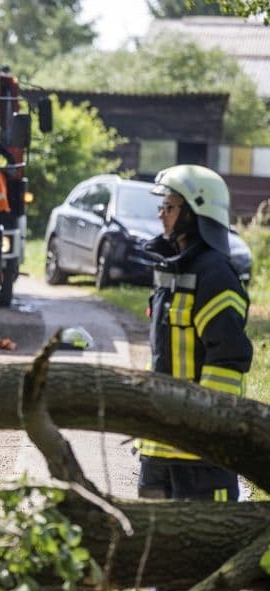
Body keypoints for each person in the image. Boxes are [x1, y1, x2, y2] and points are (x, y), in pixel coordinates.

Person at [136, 164, 252, 502]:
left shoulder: (216, 275)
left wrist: (204, 424)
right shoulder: (170, 270)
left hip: (201, 456)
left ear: (195, 211)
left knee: (204, 549)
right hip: (159, 446)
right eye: (162, 207)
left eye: (170, 207)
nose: (161, 216)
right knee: (151, 548)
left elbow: (228, 362)